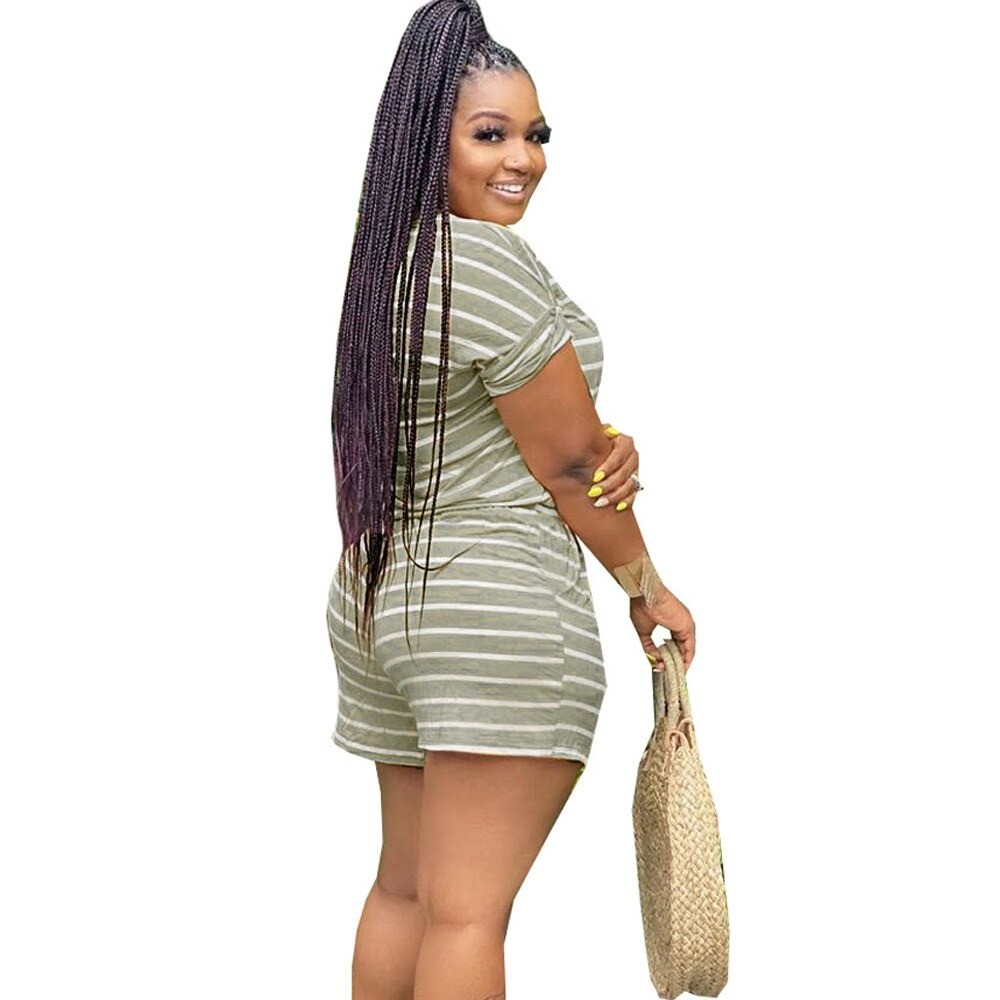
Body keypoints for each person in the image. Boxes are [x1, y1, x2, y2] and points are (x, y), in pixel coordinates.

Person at [325, 2, 696, 996]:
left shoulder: (391, 264)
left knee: (407, 893)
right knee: (468, 913)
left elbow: (514, 434)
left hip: (383, 597)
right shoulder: (480, 262)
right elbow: (570, 466)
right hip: (492, 602)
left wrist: (600, 441)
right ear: (427, 140)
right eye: (490, 134)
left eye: (536, 134)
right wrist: (647, 588)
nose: (522, 159)